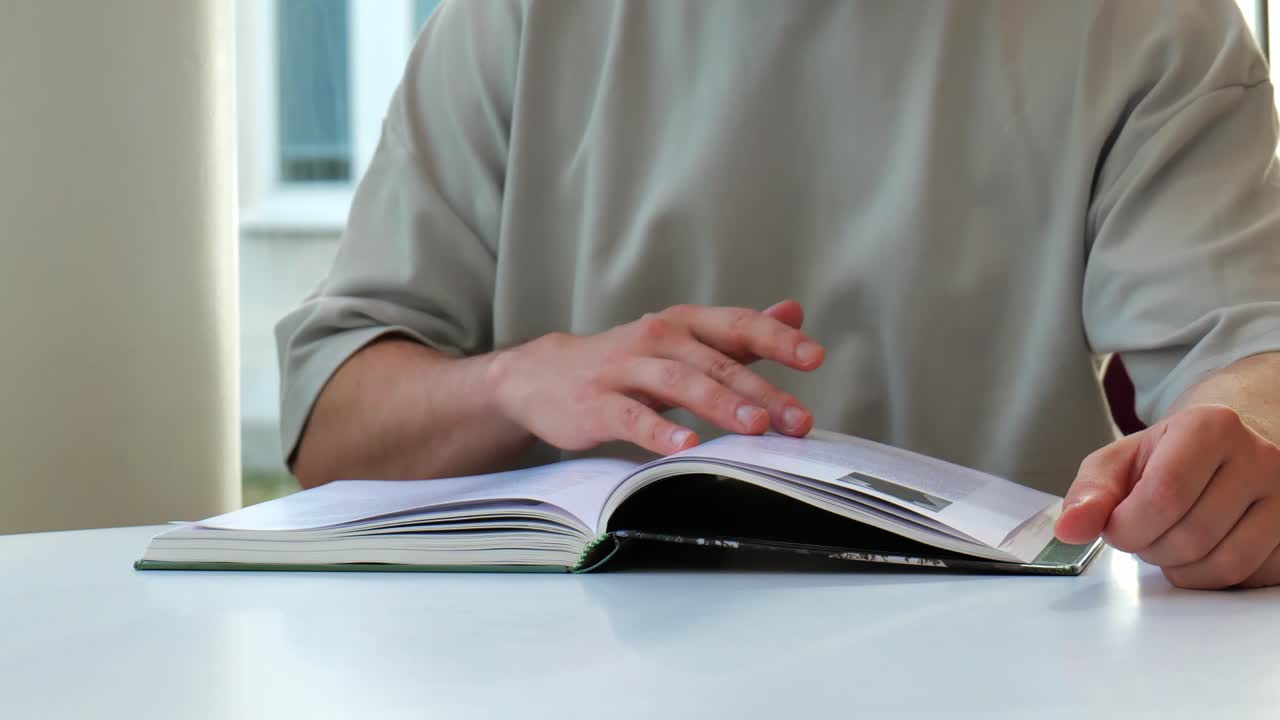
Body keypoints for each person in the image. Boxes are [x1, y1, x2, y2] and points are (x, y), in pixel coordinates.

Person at [276, 1, 1280, 590]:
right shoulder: (515, 17)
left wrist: (1236, 444)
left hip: (980, 666)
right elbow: (333, 428)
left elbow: (1248, 364)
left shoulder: (1146, 22)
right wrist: (511, 385)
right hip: (555, 675)